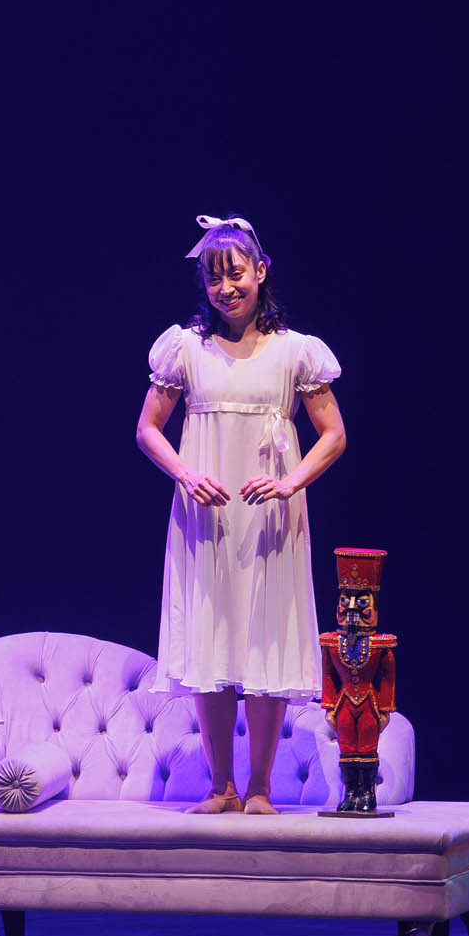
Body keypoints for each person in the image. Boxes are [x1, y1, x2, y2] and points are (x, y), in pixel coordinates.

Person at [135, 215, 346, 814]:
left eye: (236, 274)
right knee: (211, 638)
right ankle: (220, 786)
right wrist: (185, 472)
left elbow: (333, 434)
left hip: (270, 518)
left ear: (260, 271)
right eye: (214, 278)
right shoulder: (186, 349)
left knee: (264, 638)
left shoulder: (295, 352)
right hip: (206, 516)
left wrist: (290, 482)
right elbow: (148, 429)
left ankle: (259, 787)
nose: (226, 288)